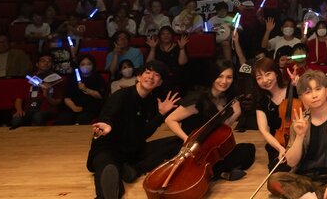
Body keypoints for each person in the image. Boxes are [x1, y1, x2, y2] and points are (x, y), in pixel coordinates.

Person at [87, 61, 182, 199]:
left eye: (156, 75)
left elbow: (143, 134)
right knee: (107, 168)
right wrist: (107, 125)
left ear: (160, 82)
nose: (151, 77)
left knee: (177, 142)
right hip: (109, 148)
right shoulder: (121, 96)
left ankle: (132, 169)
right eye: (147, 72)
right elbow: (108, 115)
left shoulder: (152, 102)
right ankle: (114, 185)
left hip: (132, 150)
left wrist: (161, 115)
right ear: (138, 76)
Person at [266, 70, 327, 199]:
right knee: (274, 180)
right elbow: (291, 162)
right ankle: (319, 196)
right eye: (308, 92)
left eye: (318, 89)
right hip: (305, 178)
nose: (314, 95)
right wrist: (299, 136)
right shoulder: (299, 121)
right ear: (302, 97)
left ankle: (309, 197)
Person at [163, 59, 256, 181]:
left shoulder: (224, 98)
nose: (224, 81)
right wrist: (187, 140)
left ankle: (215, 172)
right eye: (220, 76)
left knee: (248, 149)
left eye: (229, 77)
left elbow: (222, 128)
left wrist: (236, 114)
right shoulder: (198, 99)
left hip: (210, 146)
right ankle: (219, 172)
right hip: (191, 147)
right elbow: (170, 120)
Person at [251, 57, 293, 169]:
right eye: (259, 78)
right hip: (278, 143)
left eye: (268, 74)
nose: (265, 80)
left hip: (299, 140)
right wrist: (280, 148)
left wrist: (300, 86)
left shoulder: (293, 89)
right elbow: (264, 131)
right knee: (278, 172)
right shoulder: (261, 101)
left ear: (276, 73)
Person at [58, 54, 107, 125]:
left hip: (91, 108)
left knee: (82, 120)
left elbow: (101, 96)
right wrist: (74, 107)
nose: (86, 66)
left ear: (93, 65)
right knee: (63, 120)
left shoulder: (98, 78)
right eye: (83, 64)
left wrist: (86, 89)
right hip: (73, 106)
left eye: (89, 64)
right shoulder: (72, 78)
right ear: (79, 66)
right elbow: (67, 97)